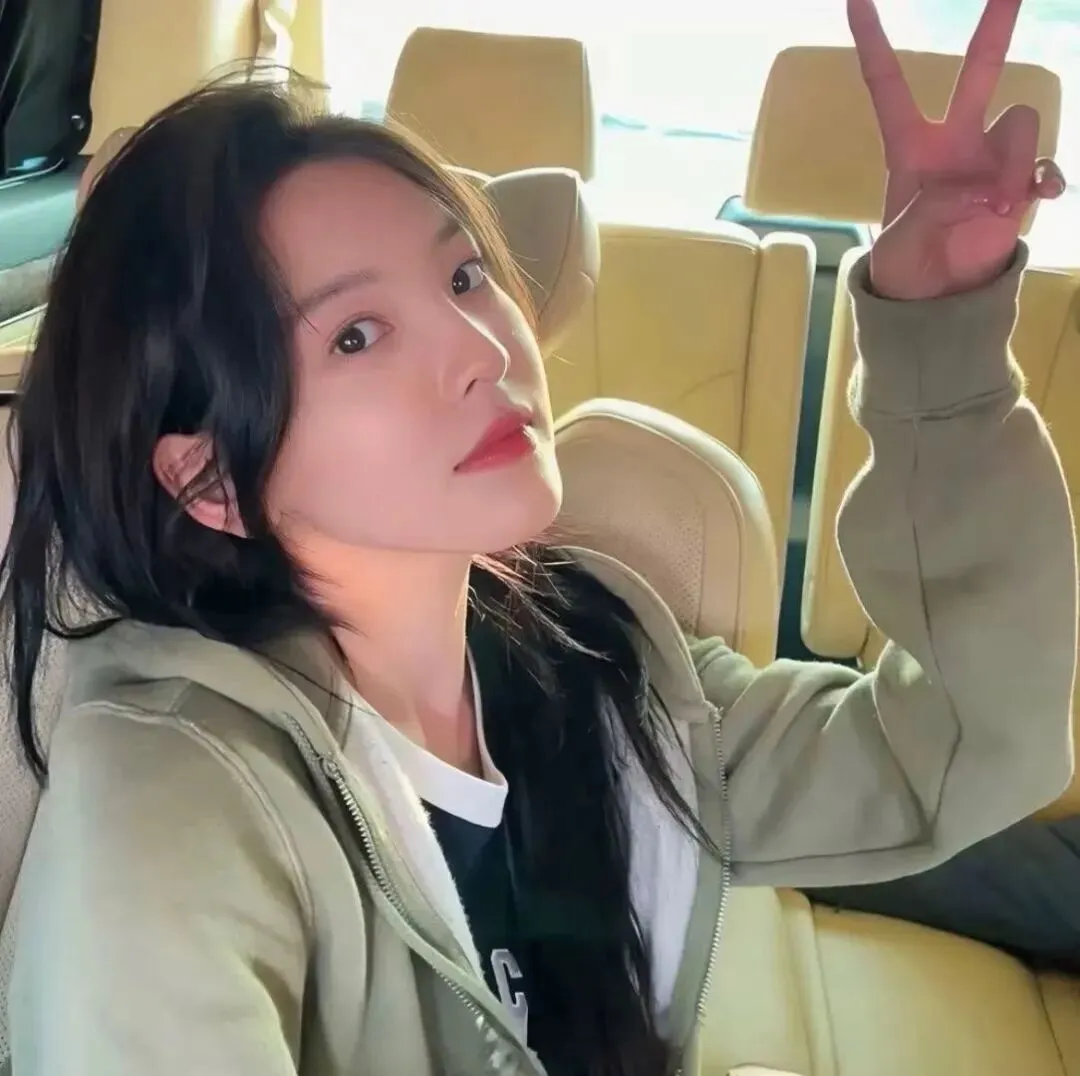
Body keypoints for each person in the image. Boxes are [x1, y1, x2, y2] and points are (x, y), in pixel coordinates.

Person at [1, 1, 1074, 1074]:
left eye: (465, 276)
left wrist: (944, 339)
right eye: (358, 335)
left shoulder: (599, 667)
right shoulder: (167, 814)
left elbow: (958, 746)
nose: (480, 345)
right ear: (211, 482)